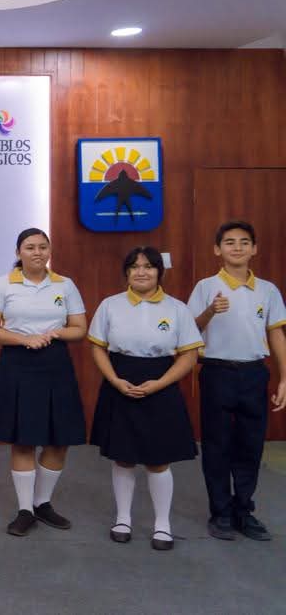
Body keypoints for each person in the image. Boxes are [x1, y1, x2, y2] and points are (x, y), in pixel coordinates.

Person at [88, 246, 202, 551]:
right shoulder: (110, 305)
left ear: (158, 272)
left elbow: (189, 355)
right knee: (123, 456)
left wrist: (159, 384)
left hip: (161, 385)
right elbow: (98, 348)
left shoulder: (177, 309)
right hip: (119, 382)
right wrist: (114, 380)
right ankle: (123, 519)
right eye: (135, 266)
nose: (142, 272)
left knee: (158, 460)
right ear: (126, 272)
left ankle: (162, 524)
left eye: (149, 266)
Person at [0, 227, 88, 537]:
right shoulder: (2, 284)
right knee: (24, 438)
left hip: (56, 362)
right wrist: (24, 339)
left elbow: (79, 327)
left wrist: (55, 333)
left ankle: (43, 503)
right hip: (18, 362)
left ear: (49, 251)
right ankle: (25, 509)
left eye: (43, 247)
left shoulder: (65, 284)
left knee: (59, 439)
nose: (37, 252)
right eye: (30, 247)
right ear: (18, 252)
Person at [188, 220, 286, 541]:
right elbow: (189, 329)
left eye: (244, 242)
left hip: (254, 373)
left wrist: (284, 378)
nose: (237, 247)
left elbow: (276, 333)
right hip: (217, 372)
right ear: (217, 249)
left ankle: (244, 509)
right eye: (229, 242)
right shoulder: (206, 287)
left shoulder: (268, 290)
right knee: (216, 444)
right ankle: (220, 512)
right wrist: (210, 311)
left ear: (254, 249)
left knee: (251, 444)